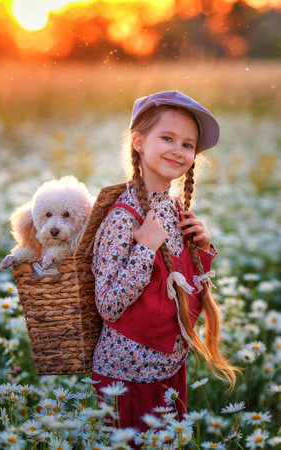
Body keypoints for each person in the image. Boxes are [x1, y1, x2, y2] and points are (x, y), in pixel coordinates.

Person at [91, 91, 238, 433]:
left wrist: (201, 246)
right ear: (139, 142)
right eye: (167, 138)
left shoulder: (174, 209)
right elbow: (109, 305)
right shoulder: (122, 218)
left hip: (170, 368)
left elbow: (177, 288)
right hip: (127, 378)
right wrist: (145, 249)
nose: (178, 149)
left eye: (188, 144)